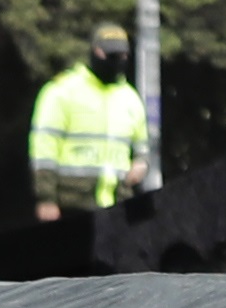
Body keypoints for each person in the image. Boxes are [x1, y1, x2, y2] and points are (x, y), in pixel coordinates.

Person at [29, 22, 149, 218]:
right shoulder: (62, 92)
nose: (117, 60)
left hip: (117, 205)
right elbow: (44, 150)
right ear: (95, 52)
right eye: (110, 54)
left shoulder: (130, 99)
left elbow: (141, 148)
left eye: (122, 55)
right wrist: (46, 199)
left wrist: (141, 164)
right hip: (71, 205)